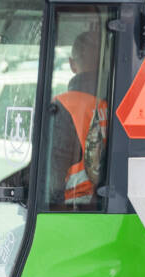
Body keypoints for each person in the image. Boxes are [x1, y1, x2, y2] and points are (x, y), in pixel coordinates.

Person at [49, 31, 107, 209]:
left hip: (73, 206)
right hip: (101, 203)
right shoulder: (114, 103)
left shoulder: (61, 106)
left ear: (72, 65)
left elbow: (54, 172)